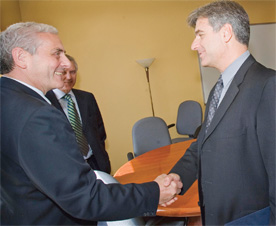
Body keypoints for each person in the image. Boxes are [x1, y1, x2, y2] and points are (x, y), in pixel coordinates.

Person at [0, 22, 182, 225]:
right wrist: (156, 191)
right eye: (56, 54)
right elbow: (85, 198)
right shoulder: (38, 115)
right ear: (21, 57)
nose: (66, 64)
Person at [169, 1, 275, 225]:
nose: (193, 45)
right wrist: (176, 177)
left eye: (200, 35)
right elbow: (203, 143)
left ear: (226, 33)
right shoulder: (219, 88)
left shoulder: (268, 86)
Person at [46, 54, 111, 173]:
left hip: (96, 164)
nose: (69, 77)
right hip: (69, 169)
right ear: (54, 74)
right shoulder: (44, 101)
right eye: (63, 73)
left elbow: (100, 131)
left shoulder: (87, 98)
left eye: (73, 72)